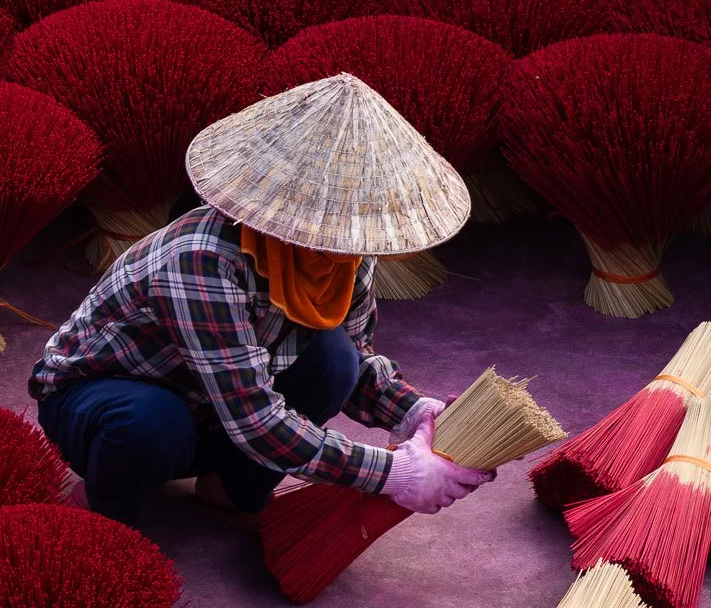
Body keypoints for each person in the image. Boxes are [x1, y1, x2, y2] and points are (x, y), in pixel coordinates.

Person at [30, 72, 496, 531]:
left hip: (218, 410)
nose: (342, 243)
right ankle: (104, 509)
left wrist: (414, 412)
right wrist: (393, 474)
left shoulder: (348, 252)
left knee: (337, 359)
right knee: (151, 420)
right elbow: (255, 419)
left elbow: (356, 359)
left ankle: (230, 492)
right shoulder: (199, 262)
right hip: (109, 408)